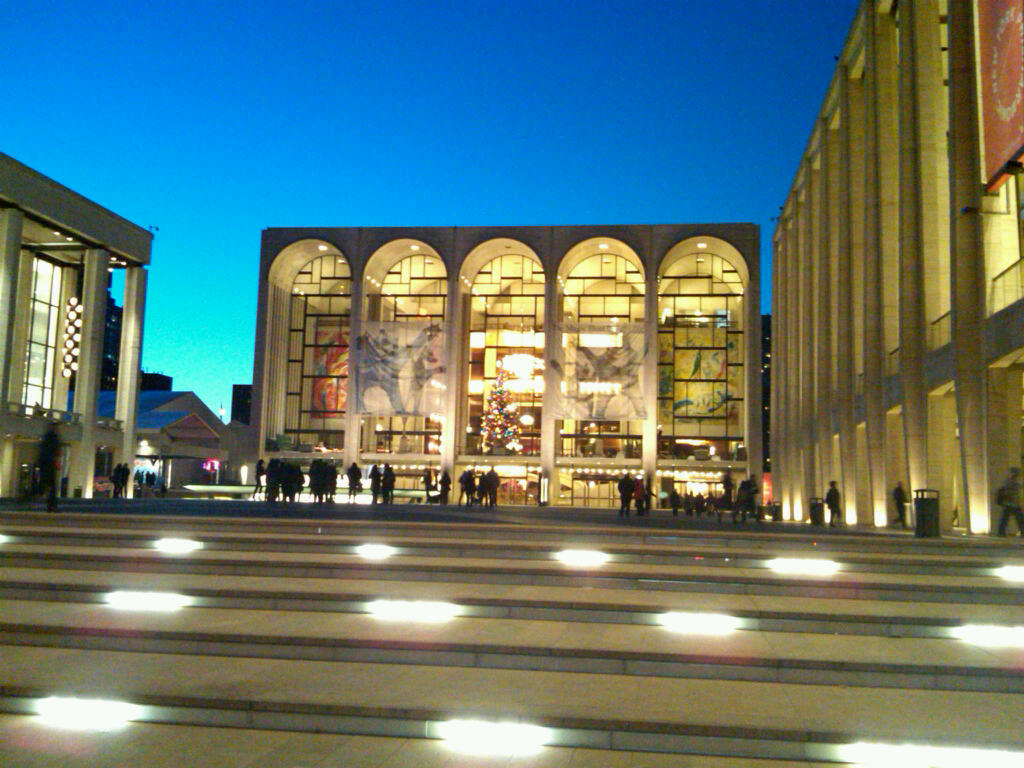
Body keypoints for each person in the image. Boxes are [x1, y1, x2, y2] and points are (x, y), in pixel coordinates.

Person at [37, 424, 60, 512]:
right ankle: (51, 506)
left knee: (46, 485)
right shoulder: (52, 438)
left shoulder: (46, 439)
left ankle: (51, 505)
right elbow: (54, 452)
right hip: (48, 466)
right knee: (51, 487)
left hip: (45, 465)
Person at [996, 467, 1023, 537]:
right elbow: (1012, 489)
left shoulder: (1009, 480)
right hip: (1011, 503)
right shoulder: (1011, 480)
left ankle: (1001, 532)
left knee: (1006, 518)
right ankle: (1001, 532)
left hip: (1011, 503)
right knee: (1018, 518)